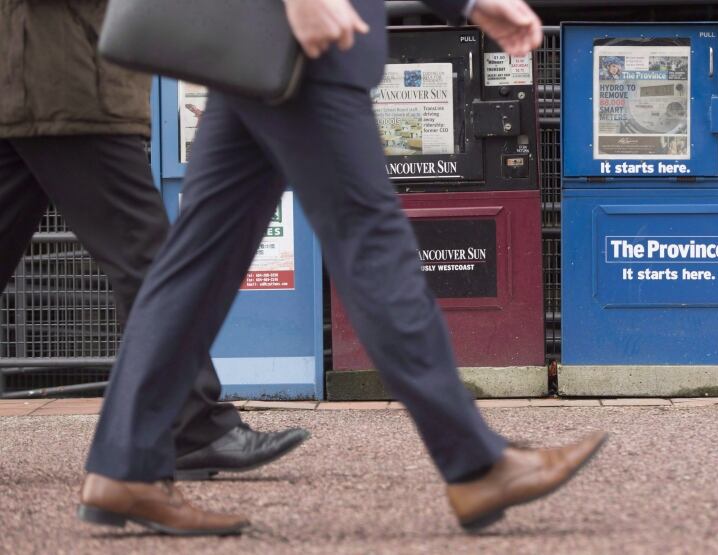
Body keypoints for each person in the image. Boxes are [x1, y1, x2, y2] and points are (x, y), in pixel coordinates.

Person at [78, 0, 607, 536]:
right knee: (372, 245)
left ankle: (127, 465)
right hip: (304, 43)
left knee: (196, 263)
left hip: (262, 48)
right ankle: (478, 463)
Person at [0, 0, 309, 483]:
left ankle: (189, 429)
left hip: (36, 81)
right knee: (149, 264)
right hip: (65, 82)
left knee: (147, 261)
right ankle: (191, 430)